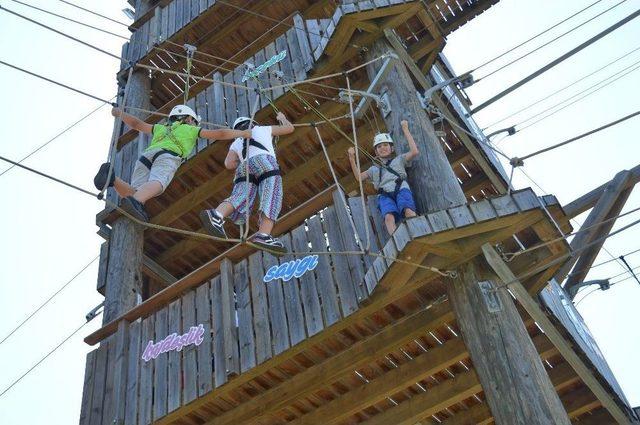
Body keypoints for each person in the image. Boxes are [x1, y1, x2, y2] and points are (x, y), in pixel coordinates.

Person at [94, 104, 247, 222]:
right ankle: (136, 201)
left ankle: (113, 180)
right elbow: (219, 134)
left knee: (136, 191)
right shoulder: (190, 129)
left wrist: (120, 113)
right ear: (188, 119)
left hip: (146, 157)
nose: (195, 124)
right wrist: (243, 133)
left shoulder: (160, 128)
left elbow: (136, 124)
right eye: (194, 122)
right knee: (158, 184)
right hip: (168, 156)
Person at [198, 112, 294, 253]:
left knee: (240, 195)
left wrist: (245, 161)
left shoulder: (236, 142)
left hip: (244, 166)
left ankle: (216, 215)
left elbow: (229, 164)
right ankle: (263, 234)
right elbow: (289, 128)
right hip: (265, 161)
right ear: (253, 123)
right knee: (272, 195)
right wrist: (283, 119)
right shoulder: (263, 129)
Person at [347, 119, 419, 235]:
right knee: (388, 218)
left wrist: (405, 129)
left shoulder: (399, 160)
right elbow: (359, 178)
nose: (382, 148)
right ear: (376, 152)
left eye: (385, 145)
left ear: (392, 148)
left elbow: (414, 151)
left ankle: (417, 233)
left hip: (401, 188)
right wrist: (352, 159)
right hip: (384, 194)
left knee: (408, 211)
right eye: (379, 147)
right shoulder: (373, 169)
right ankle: (398, 241)